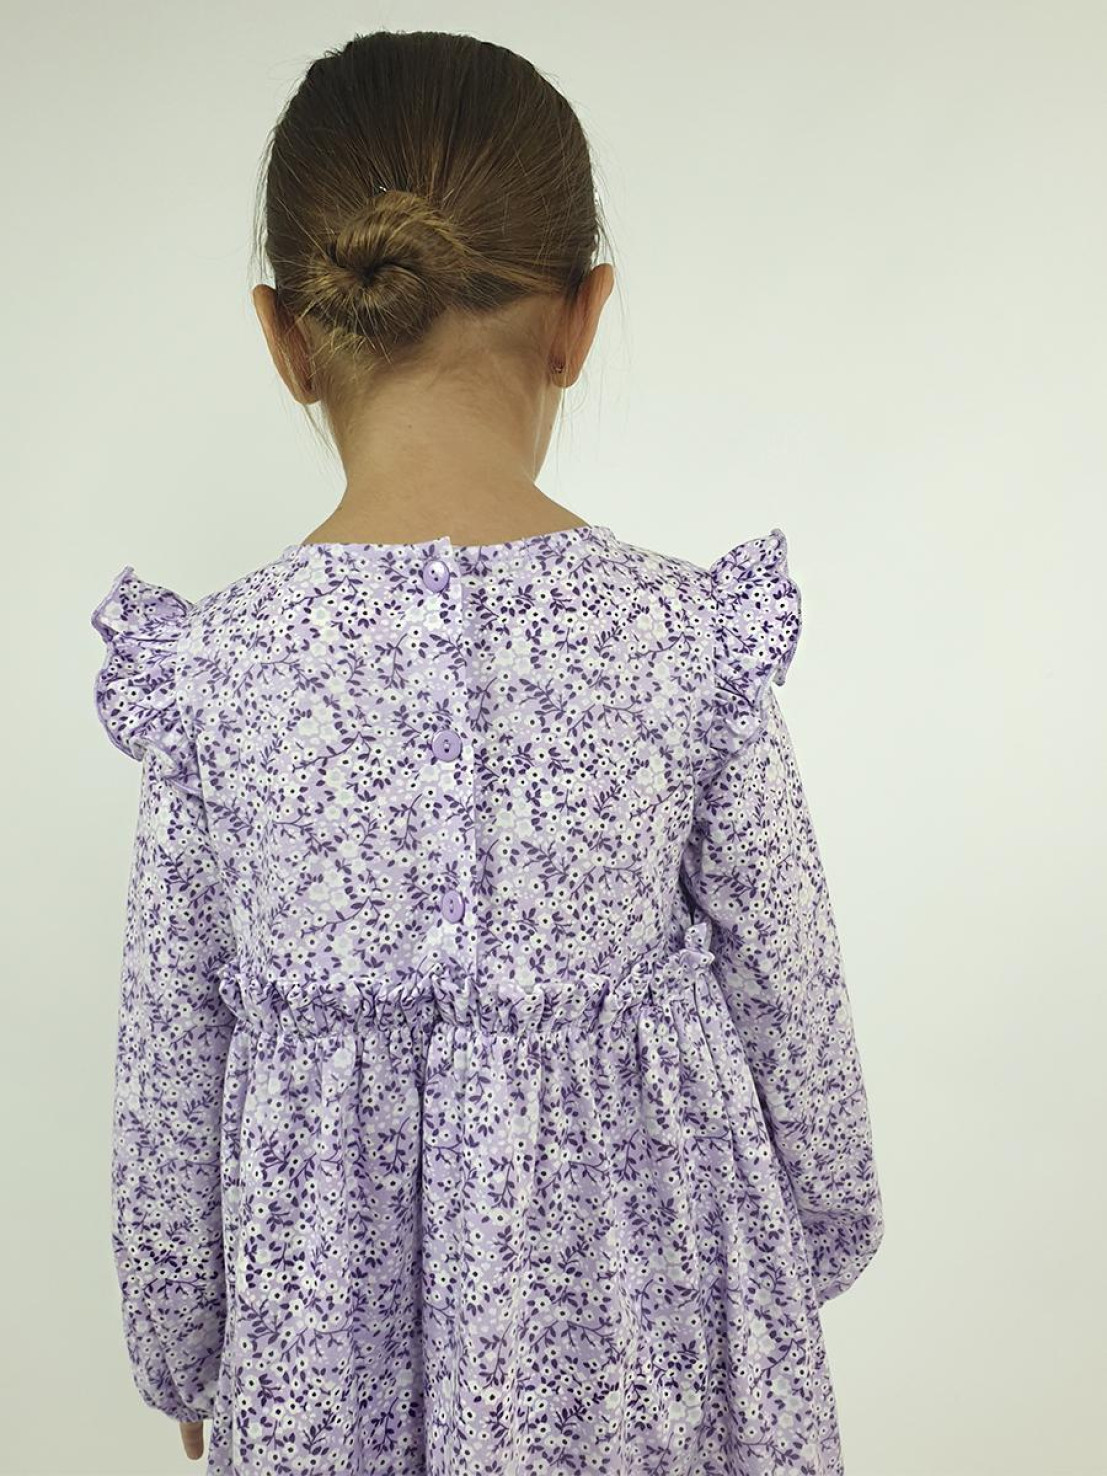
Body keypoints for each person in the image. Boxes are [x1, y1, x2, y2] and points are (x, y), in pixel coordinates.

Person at [90, 28, 884, 1476]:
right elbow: (795, 1002)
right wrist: (807, 1244)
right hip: (651, 1340)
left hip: (325, 1362)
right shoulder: (685, 641)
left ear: (286, 338)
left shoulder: (212, 679)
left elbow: (169, 1062)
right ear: (582, 317)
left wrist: (184, 1345)